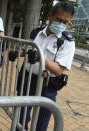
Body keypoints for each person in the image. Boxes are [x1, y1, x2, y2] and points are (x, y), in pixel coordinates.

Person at [14, 1, 75, 131]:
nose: (61, 24)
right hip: (28, 79)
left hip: (48, 85)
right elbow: (27, 50)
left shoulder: (67, 42)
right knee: (20, 116)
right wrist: (17, 53)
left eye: (66, 22)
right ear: (50, 15)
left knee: (41, 122)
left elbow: (59, 70)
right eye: (59, 20)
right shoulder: (36, 32)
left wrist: (41, 59)